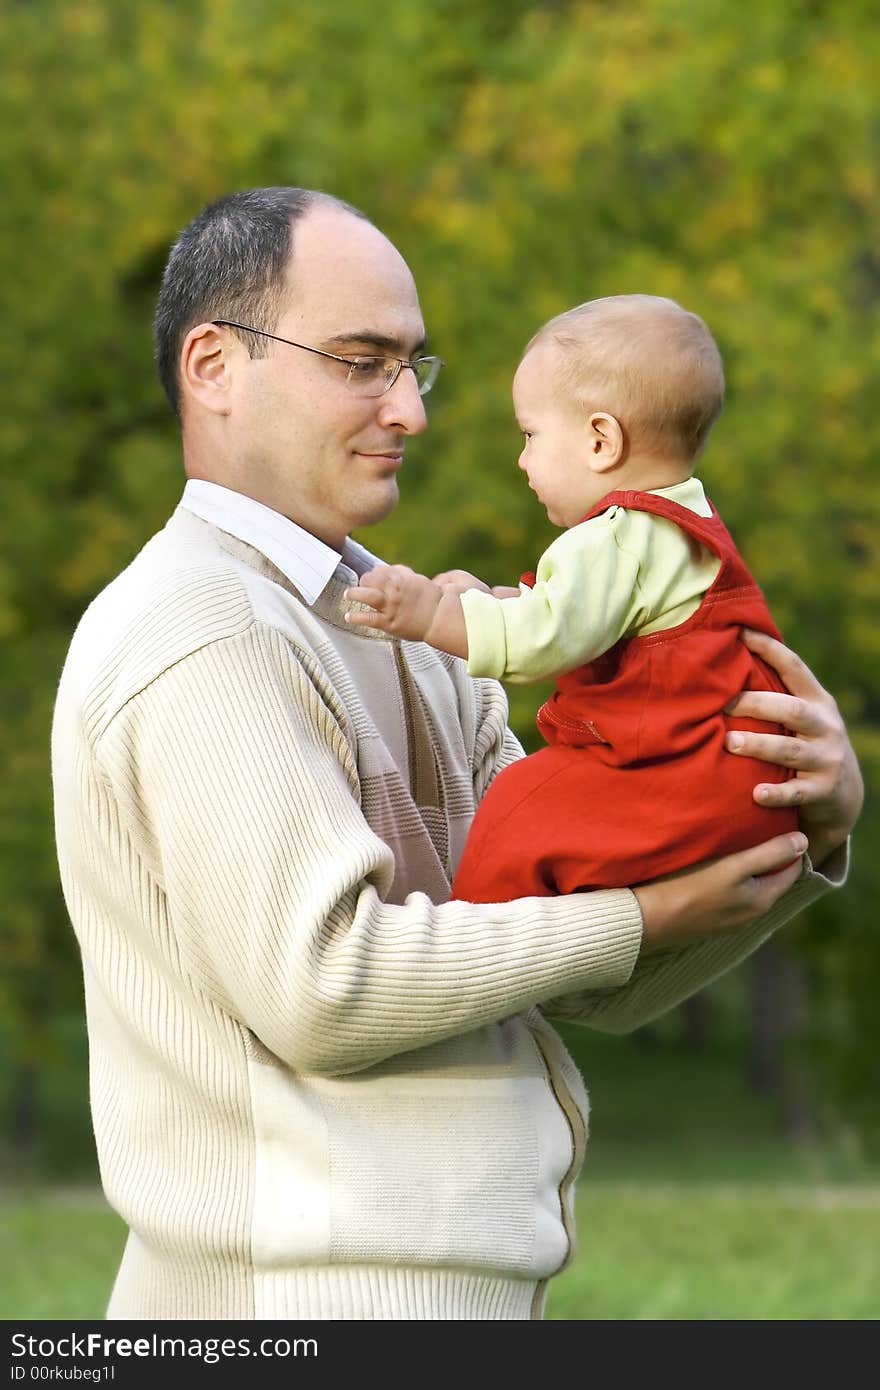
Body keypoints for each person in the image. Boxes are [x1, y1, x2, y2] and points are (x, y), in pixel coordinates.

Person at [51, 187, 861, 1322]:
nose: (411, 411)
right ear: (213, 365)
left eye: (411, 367)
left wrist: (787, 818)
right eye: (360, 360)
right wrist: (640, 917)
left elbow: (577, 971)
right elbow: (325, 987)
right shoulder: (200, 628)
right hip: (287, 1313)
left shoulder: (425, 638)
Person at [345, 294, 799, 901]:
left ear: (600, 441)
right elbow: (585, 621)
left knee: (517, 807)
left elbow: (538, 642)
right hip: (742, 780)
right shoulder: (680, 521)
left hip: (679, 778)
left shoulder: (613, 539)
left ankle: (478, 935)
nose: (522, 459)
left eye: (532, 435)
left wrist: (430, 614)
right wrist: (493, 600)